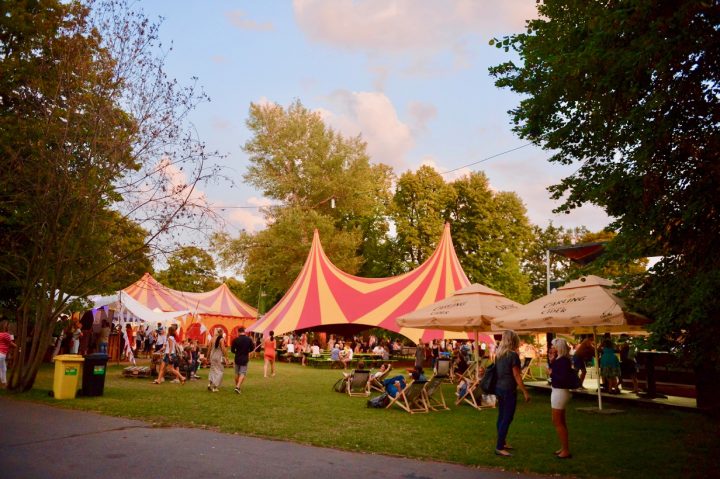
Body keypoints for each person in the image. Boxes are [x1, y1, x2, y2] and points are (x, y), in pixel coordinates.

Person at [493, 330, 530, 457]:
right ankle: (499, 447)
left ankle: (502, 442)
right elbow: (516, 375)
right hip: (509, 389)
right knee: (507, 417)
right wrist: (525, 391)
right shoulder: (513, 355)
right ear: (514, 340)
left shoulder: (499, 354)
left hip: (499, 388)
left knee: (502, 416)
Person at [548, 338, 574, 459]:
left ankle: (566, 450)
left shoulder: (563, 361)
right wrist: (552, 361)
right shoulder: (561, 360)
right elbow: (555, 369)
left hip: (560, 392)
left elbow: (561, 377)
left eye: (553, 346)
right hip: (558, 391)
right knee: (559, 421)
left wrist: (551, 373)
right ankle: (564, 447)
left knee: (558, 421)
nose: (552, 348)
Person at [231, 326, 254, 394]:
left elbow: (232, 350)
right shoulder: (249, 339)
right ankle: (237, 387)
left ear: (238, 332)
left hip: (237, 358)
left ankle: (237, 386)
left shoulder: (235, 340)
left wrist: (237, 352)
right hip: (244, 358)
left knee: (236, 373)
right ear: (244, 331)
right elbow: (252, 349)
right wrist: (247, 351)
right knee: (242, 373)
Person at [0, 321, 18, 388]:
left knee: (4, 368)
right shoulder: (6, 335)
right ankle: (4, 383)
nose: (8, 326)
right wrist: (18, 346)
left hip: (2, 354)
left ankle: (4, 383)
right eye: (7, 325)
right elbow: (11, 343)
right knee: (2, 369)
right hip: (1, 354)